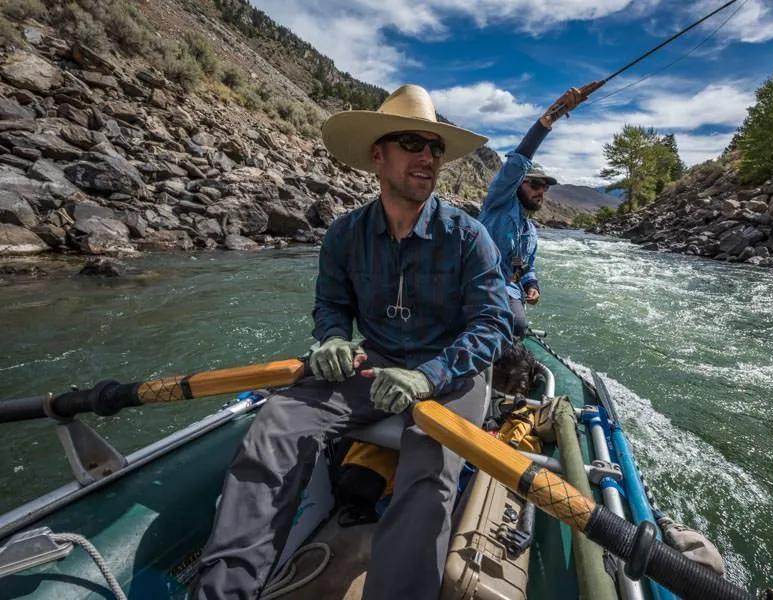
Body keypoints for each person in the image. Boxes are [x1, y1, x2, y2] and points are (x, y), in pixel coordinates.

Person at [192, 84, 513, 600]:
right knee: (277, 422)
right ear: (377, 155)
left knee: (428, 472)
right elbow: (331, 305)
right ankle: (224, 592)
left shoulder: (468, 235)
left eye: (435, 148)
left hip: (451, 374)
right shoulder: (344, 235)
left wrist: (426, 375)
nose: (428, 157)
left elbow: (492, 325)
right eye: (413, 143)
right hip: (374, 364)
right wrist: (334, 338)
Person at [479, 88, 586, 337]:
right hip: (479, 287)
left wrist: (531, 284)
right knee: (517, 325)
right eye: (535, 185)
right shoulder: (498, 203)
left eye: (545, 188)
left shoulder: (531, 231)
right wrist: (548, 121)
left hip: (510, 291)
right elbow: (517, 163)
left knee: (517, 325)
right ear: (517, 184)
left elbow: (529, 267)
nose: (541, 192)